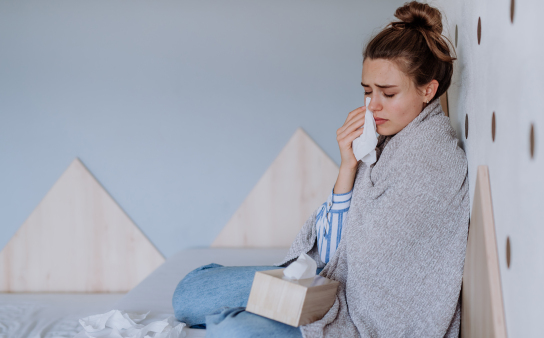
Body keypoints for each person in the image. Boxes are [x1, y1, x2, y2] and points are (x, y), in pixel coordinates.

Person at [172, 1, 469, 337]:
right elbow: (334, 254)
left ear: (428, 90)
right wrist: (348, 166)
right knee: (191, 292)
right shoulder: (383, 145)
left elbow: (374, 282)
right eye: (368, 91)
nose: (373, 106)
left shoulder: (431, 163)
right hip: (330, 283)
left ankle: (250, 315)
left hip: (351, 313)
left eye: (387, 93)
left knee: (233, 331)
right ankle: (255, 311)